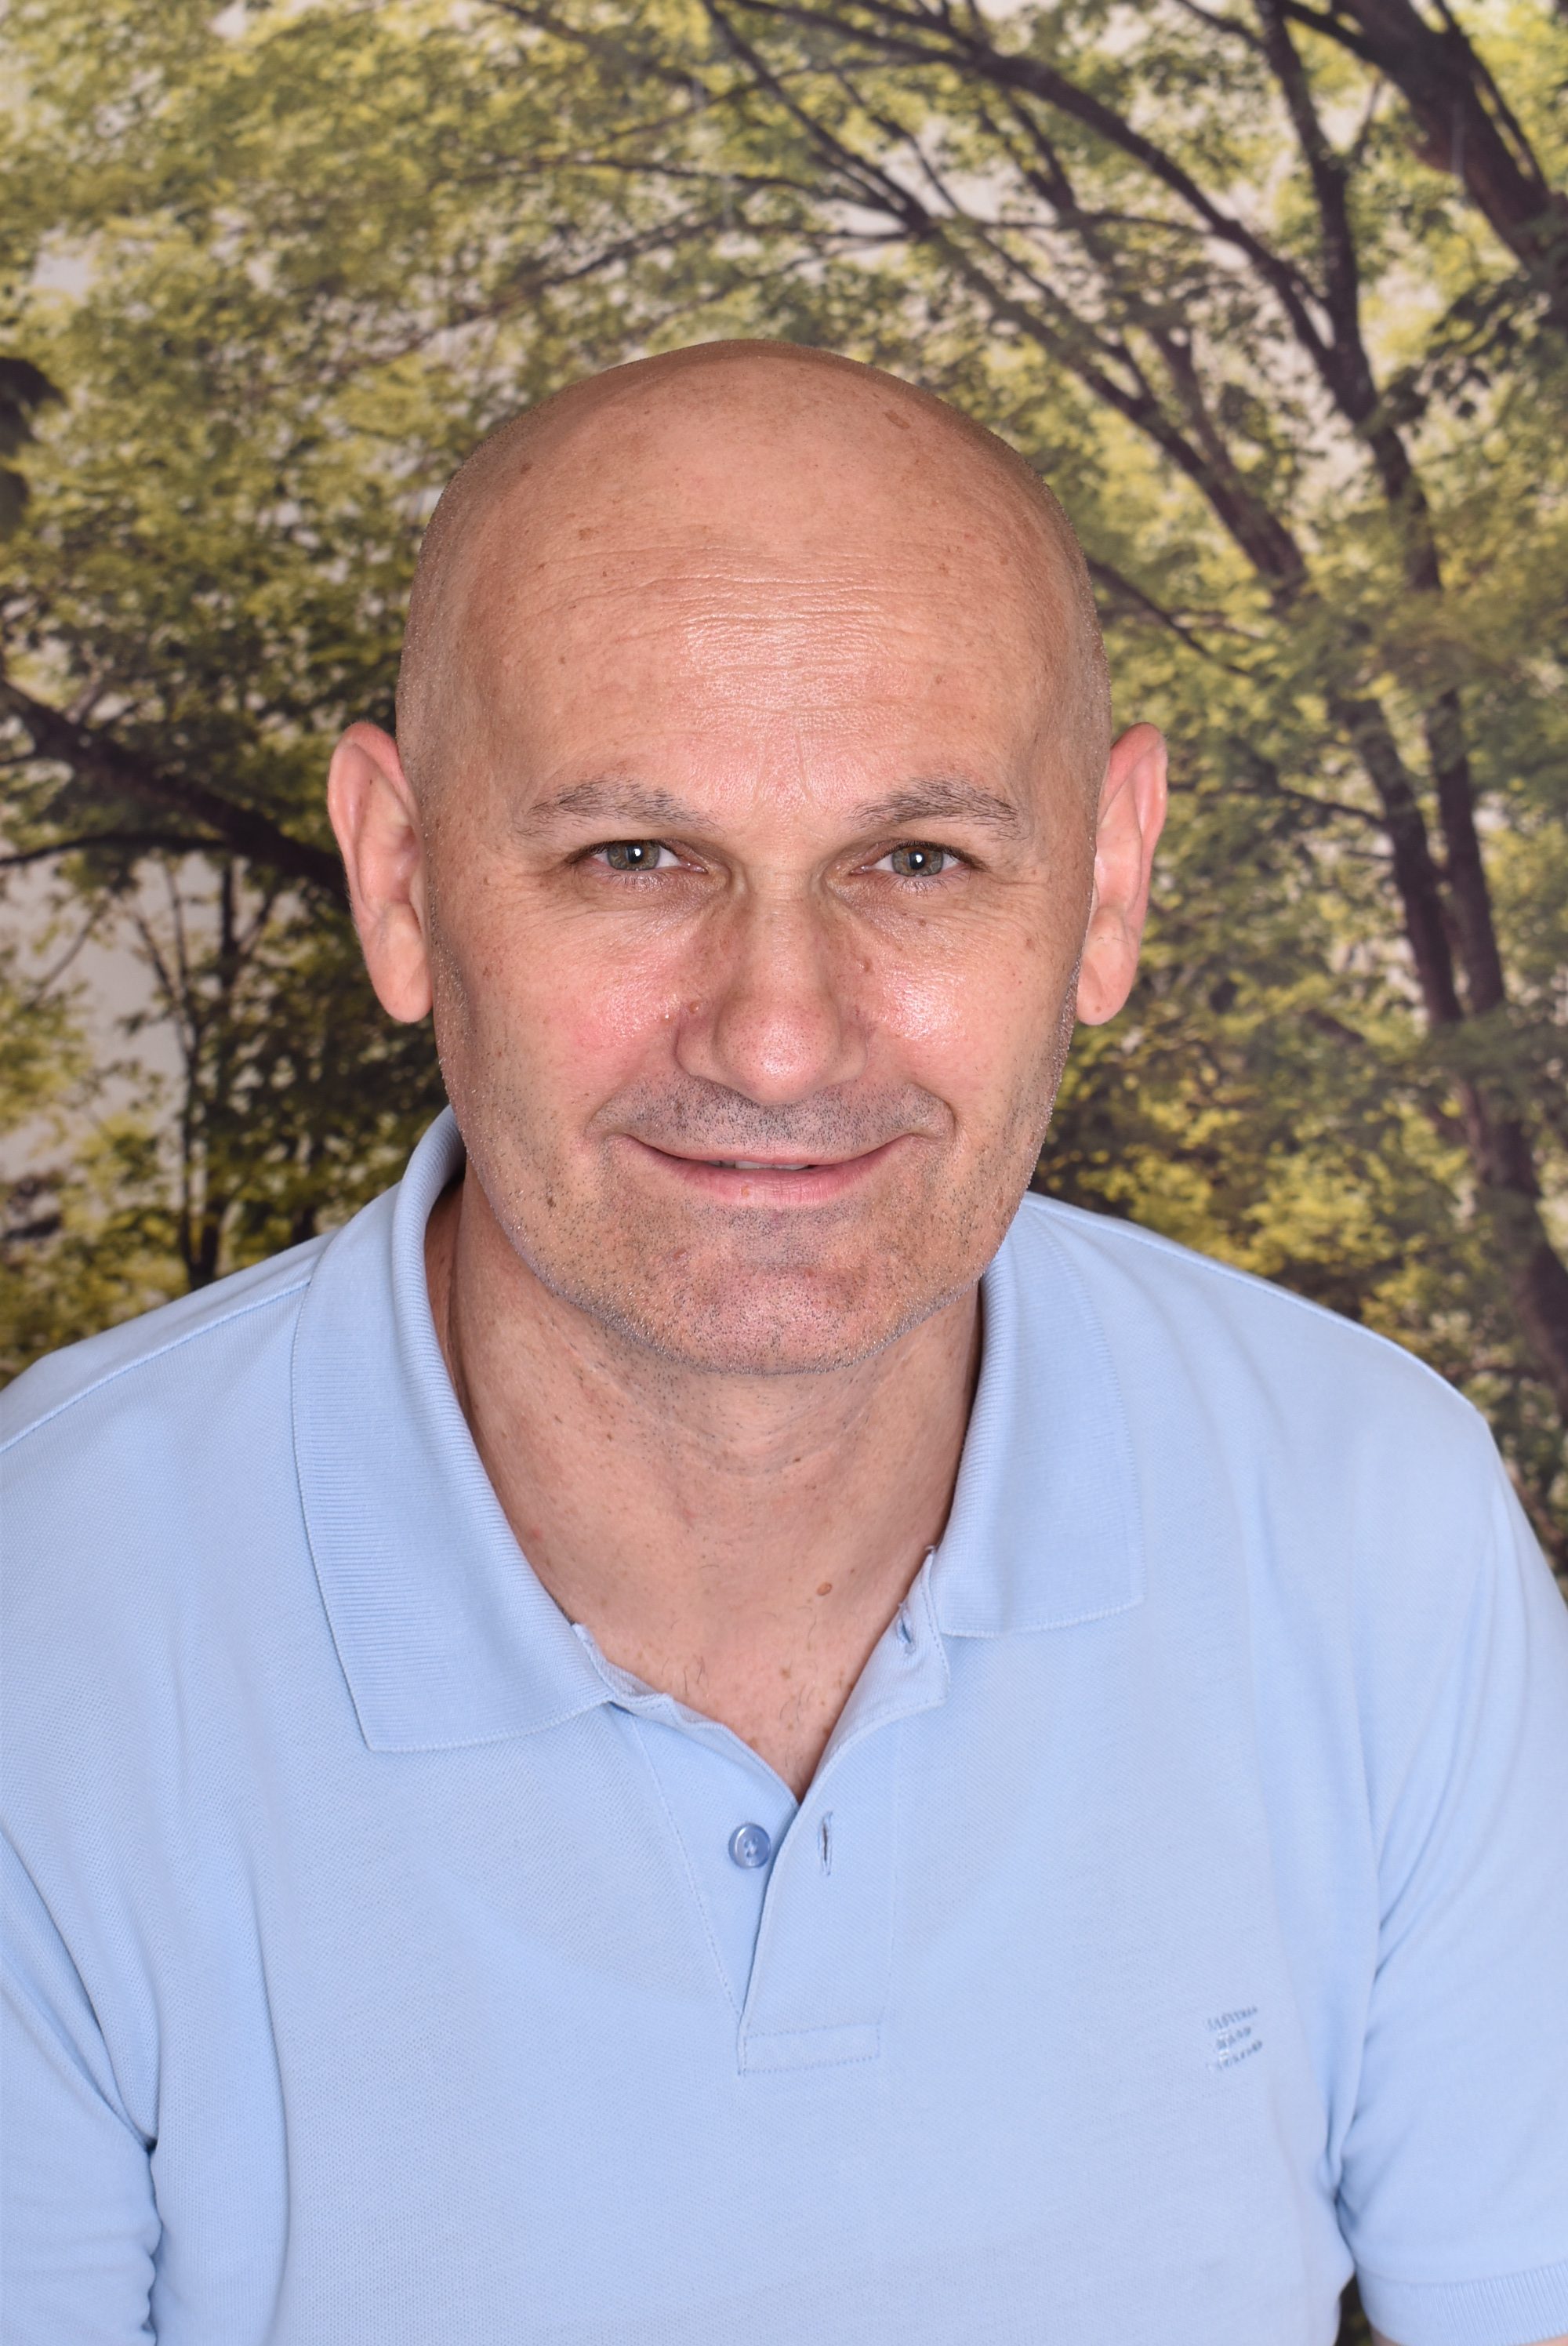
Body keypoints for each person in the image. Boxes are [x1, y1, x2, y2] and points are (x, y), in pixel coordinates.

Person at [2, 341, 1566, 2346]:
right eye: (633, 858)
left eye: (917, 861)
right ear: (402, 881)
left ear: (1106, 881)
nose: (773, 1034)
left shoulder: (1371, 1517)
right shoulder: (47, 1617)